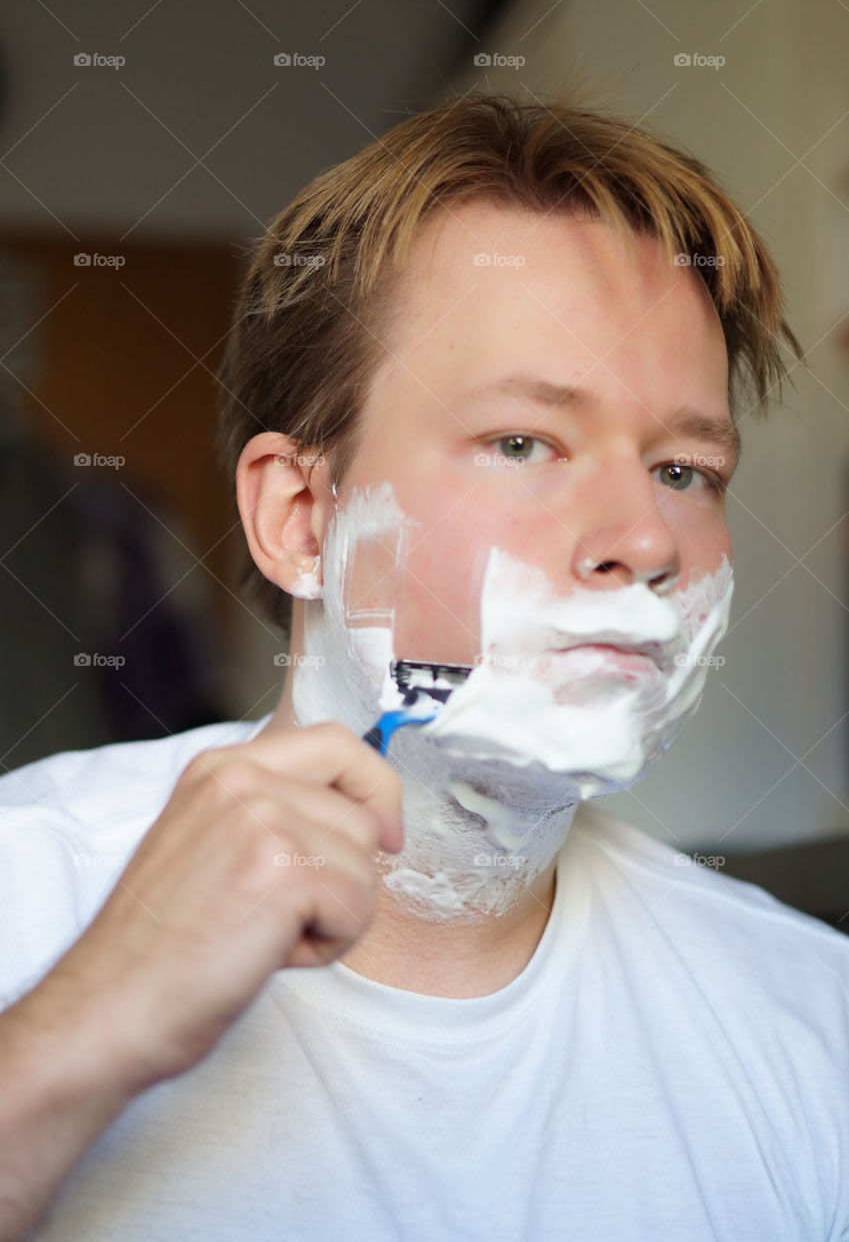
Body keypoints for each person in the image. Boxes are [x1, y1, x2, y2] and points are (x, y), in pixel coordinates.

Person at [0, 92, 846, 1242]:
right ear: (302, 518)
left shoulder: (811, 1016)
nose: (647, 539)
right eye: (523, 442)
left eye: (684, 470)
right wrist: (89, 1027)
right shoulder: (26, 891)